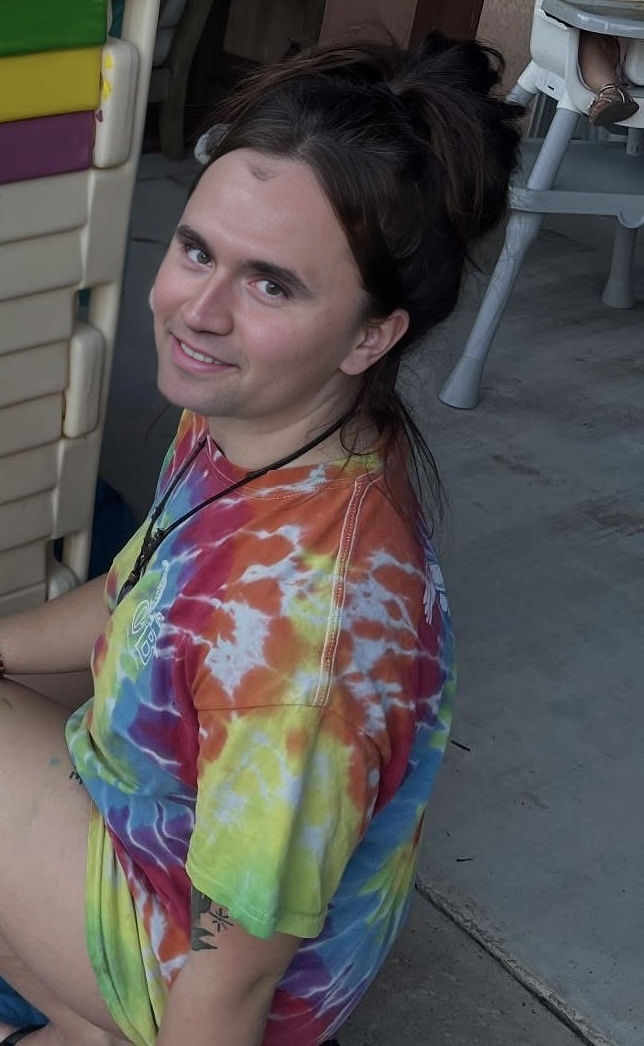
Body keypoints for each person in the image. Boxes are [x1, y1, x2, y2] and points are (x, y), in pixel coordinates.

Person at [0, 32, 521, 1046]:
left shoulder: (302, 641)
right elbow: (142, 583)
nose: (198, 311)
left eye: (271, 284)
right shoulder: (260, 414)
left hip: (205, 979)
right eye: (198, 249)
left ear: (372, 335)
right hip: (155, 842)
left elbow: (233, 987)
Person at [579, 30, 639, 126]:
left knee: (589, 35)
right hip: (612, 58)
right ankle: (611, 92)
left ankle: (611, 92)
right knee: (589, 36)